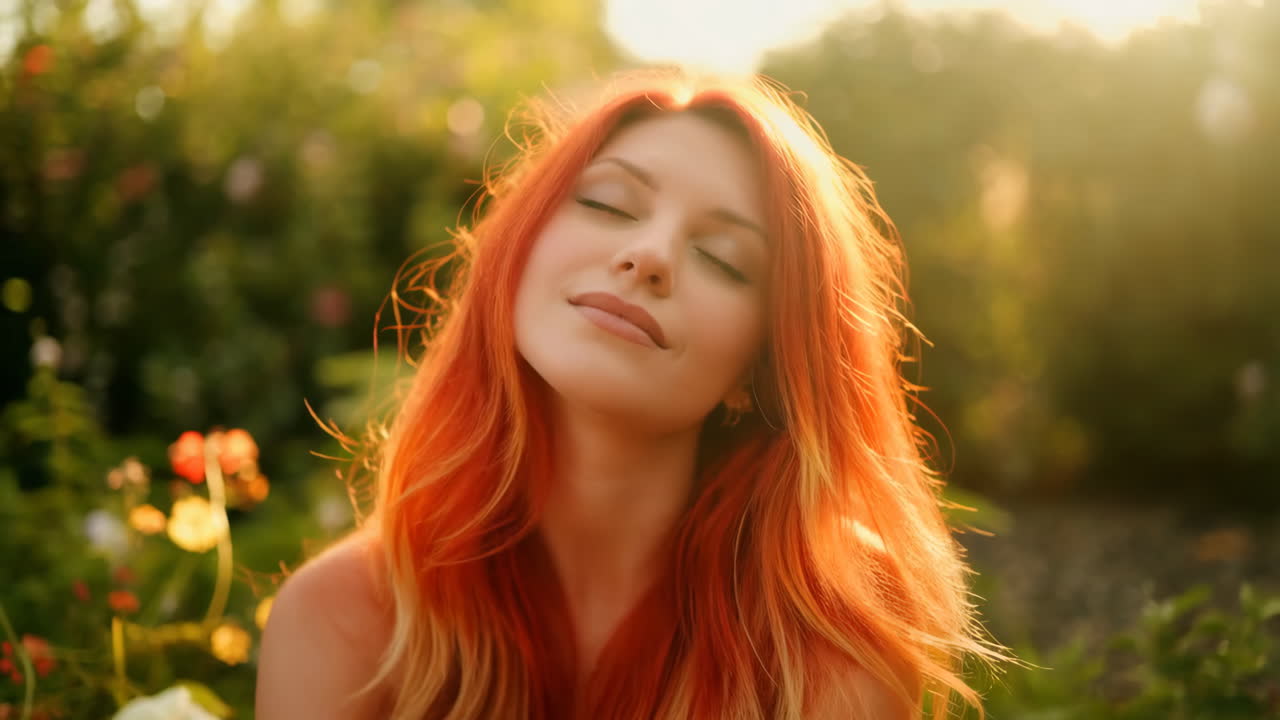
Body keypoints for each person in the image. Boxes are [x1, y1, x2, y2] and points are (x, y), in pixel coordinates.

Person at [256, 66, 1004, 719]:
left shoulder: (828, 643)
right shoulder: (346, 619)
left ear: (759, 367)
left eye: (723, 258)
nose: (648, 255)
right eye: (609, 205)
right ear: (519, 251)